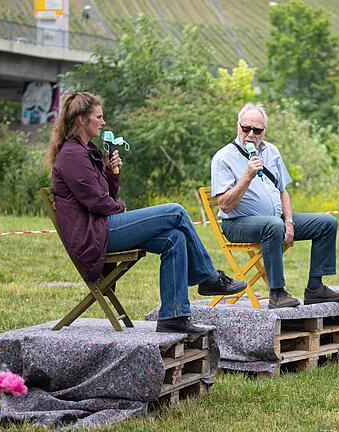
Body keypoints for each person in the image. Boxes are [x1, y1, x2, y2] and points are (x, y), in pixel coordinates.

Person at [45, 92, 246, 334]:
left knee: (175, 237)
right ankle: (208, 278)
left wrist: (112, 173)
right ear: (81, 120)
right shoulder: (72, 155)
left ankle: (174, 316)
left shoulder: (85, 151)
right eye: (98, 117)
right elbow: (98, 203)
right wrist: (122, 209)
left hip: (101, 227)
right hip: (94, 235)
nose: (103, 121)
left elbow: (105, 195)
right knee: (176, 211)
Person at [210, 102, 339, 309]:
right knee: (273, 225)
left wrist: (289, 221)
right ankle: (277, 293)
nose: (250, 134)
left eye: (257, 130)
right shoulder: (223, 157)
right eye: (245, 128)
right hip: (237, 224)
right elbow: (224, 204)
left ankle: (315, 288)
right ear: (238, 126)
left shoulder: (271, 151)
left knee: (327, 223)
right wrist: (247, 176)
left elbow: (283, 190)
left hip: (278, 220)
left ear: (264, 131)